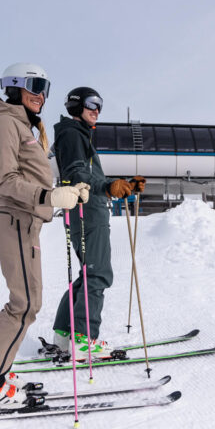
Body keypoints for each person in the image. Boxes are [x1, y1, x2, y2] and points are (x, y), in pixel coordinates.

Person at [0, 63, 88, 414]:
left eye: (45, 86)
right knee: (25, 304)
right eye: (34, 85)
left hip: (24, 221)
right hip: (14, 219)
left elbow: (31, 175)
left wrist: (67, 191)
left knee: (23, 302)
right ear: (14, 86)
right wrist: (47, 198)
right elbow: (5, 180)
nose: (42, 94)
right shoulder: (5, 122)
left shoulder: (24, 125)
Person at [50, 86, 146, 354]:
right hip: (87, 211)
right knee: (98, 274)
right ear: (76, 106)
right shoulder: (72, 134)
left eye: (100, 105)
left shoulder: (77, 135)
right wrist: (106, 187)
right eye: (92, 104)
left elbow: (86, 173)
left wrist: (121, 185)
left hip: (86, 209)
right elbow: (77, 172)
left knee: (88, 273)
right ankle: (83, 340)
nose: (97, 111)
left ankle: (65, 334)